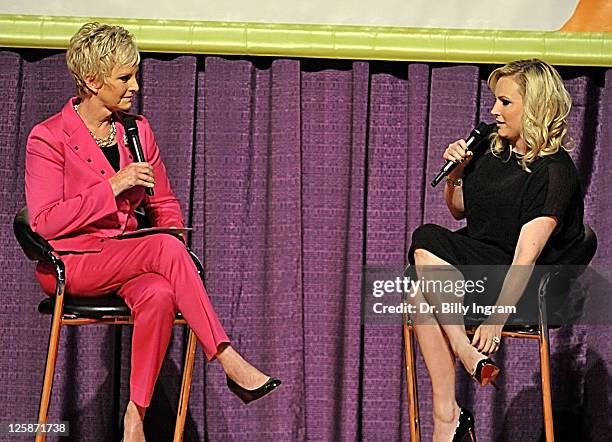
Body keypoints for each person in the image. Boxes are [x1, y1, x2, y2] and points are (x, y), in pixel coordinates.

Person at [25, 22, 280, 442]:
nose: (135, 86)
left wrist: (174, 241)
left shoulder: (135, 130)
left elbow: (163, 203)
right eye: (124, 77)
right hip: (71, 262)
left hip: (126, 254)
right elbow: (45, 222)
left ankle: (135, 415)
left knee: (161, 293)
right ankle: (229, 360)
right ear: (92, 80)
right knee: (161, 248)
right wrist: (114, 186)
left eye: (135, 74)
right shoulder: (48, 137)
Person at [407, 59, 583, 441]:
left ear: (533, 106)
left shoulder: (554, 171)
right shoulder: (489, 145)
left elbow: (526, 256)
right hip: (479, 262)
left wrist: (496, 319)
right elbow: (459, 209)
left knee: (423, 263)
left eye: (505, 102)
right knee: (421, 279)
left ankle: (447, 414)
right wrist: (456, 173)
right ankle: (451, 401)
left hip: (522, 284)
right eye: (494, 101)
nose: (493, 111)